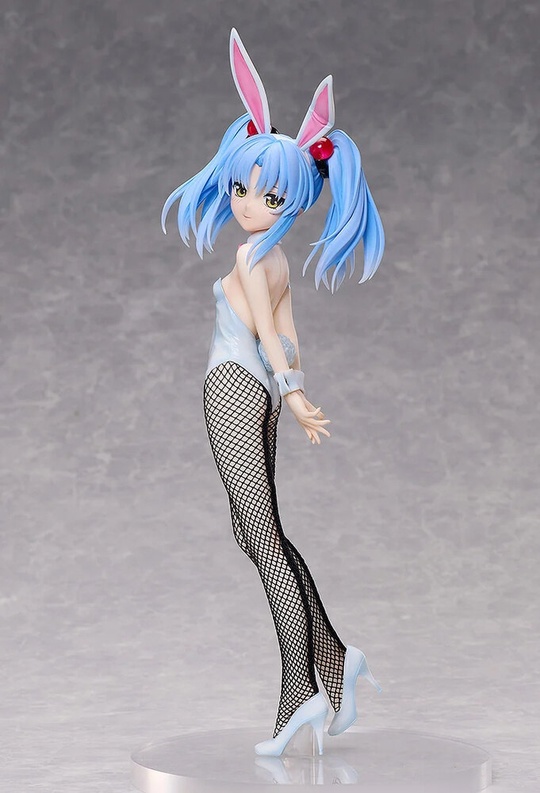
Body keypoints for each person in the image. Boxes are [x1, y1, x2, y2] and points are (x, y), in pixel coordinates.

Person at [162, 28, 384, 757]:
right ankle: (335, 657)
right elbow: (287, 334)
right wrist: (293, 389)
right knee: (258, 530)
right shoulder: (278, 255)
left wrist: (290, 393)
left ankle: (301, 688)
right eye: (241, 188)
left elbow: (263, 327)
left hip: (233, 387)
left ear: (294, 197)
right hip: (257, 390)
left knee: (259, 535)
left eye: (267, 193)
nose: (248, 203)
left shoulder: (253, 254)